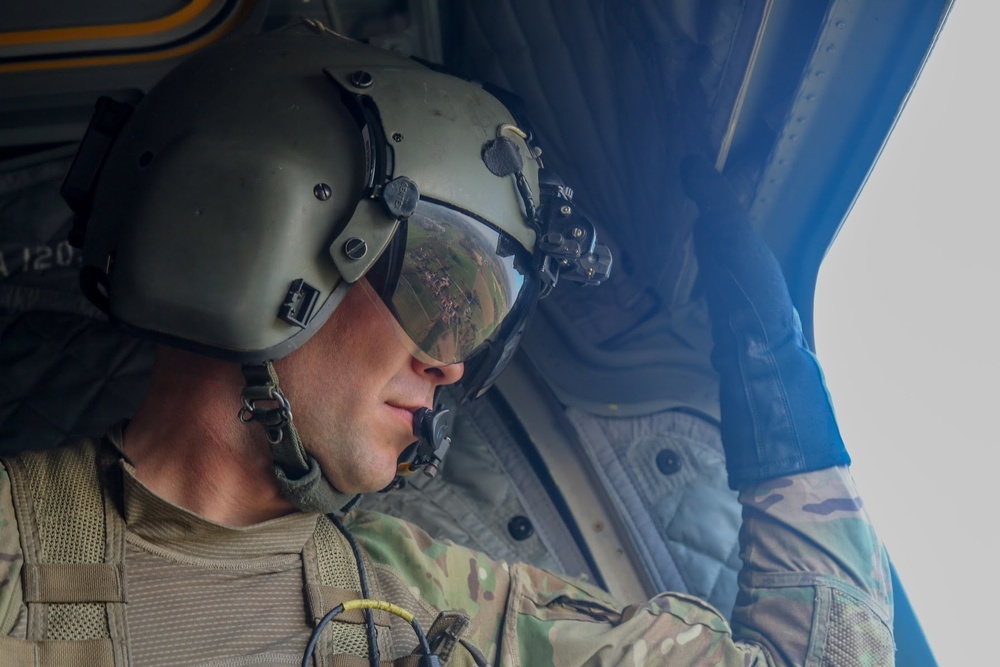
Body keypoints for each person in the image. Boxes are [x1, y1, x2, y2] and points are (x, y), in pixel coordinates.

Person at [0, 22, 893, 666]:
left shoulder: (437, 609)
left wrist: (784, 402)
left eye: (481, 324)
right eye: (441, 294)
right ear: (265, 223)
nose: (451, 364)